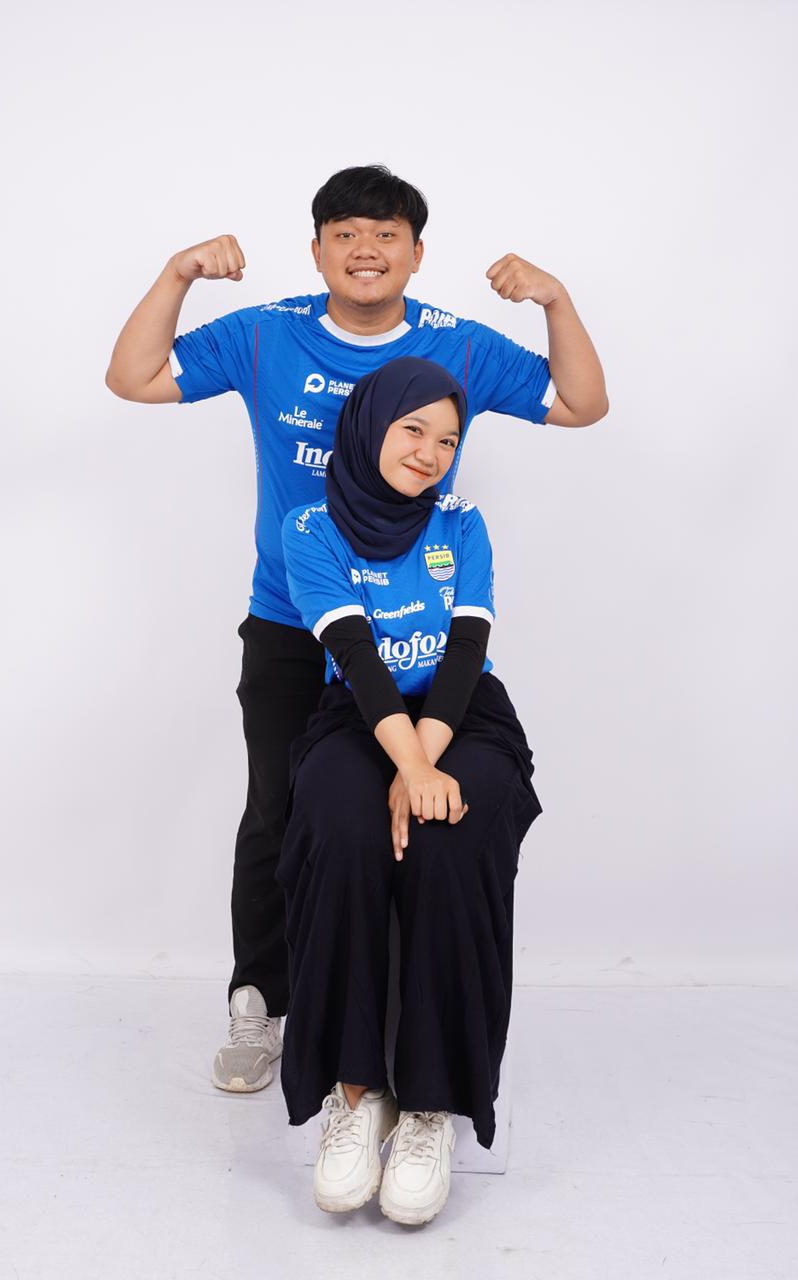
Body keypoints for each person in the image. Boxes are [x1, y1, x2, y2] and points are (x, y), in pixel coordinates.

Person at [105, 165, 608, 1095]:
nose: (366, 250)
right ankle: (262, 1003)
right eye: (345, 233)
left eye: (386, 235)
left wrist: (556, 300)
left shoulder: (458, 346)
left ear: (416, 254)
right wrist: (178, 273)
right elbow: (132, 377)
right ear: (316, 251)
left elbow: (581, 404)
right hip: (294, 623)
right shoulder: (267, 333)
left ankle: (387, 1026)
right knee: (280, 809)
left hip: (414, 635)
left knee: (399, 818)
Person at [279, 356, 541, 1225]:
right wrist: (407, 767)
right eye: (413, 429)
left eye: (448, 440)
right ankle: (356, 1093)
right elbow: (355, 655)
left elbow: (465, 652)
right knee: (343, 831)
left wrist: (424, 766)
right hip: (359, 715)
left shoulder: (461, 523)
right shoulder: (310, 527)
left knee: (449, 840)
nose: (431, 452)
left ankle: (433, 1102)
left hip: (464, 718)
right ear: (370, 426)